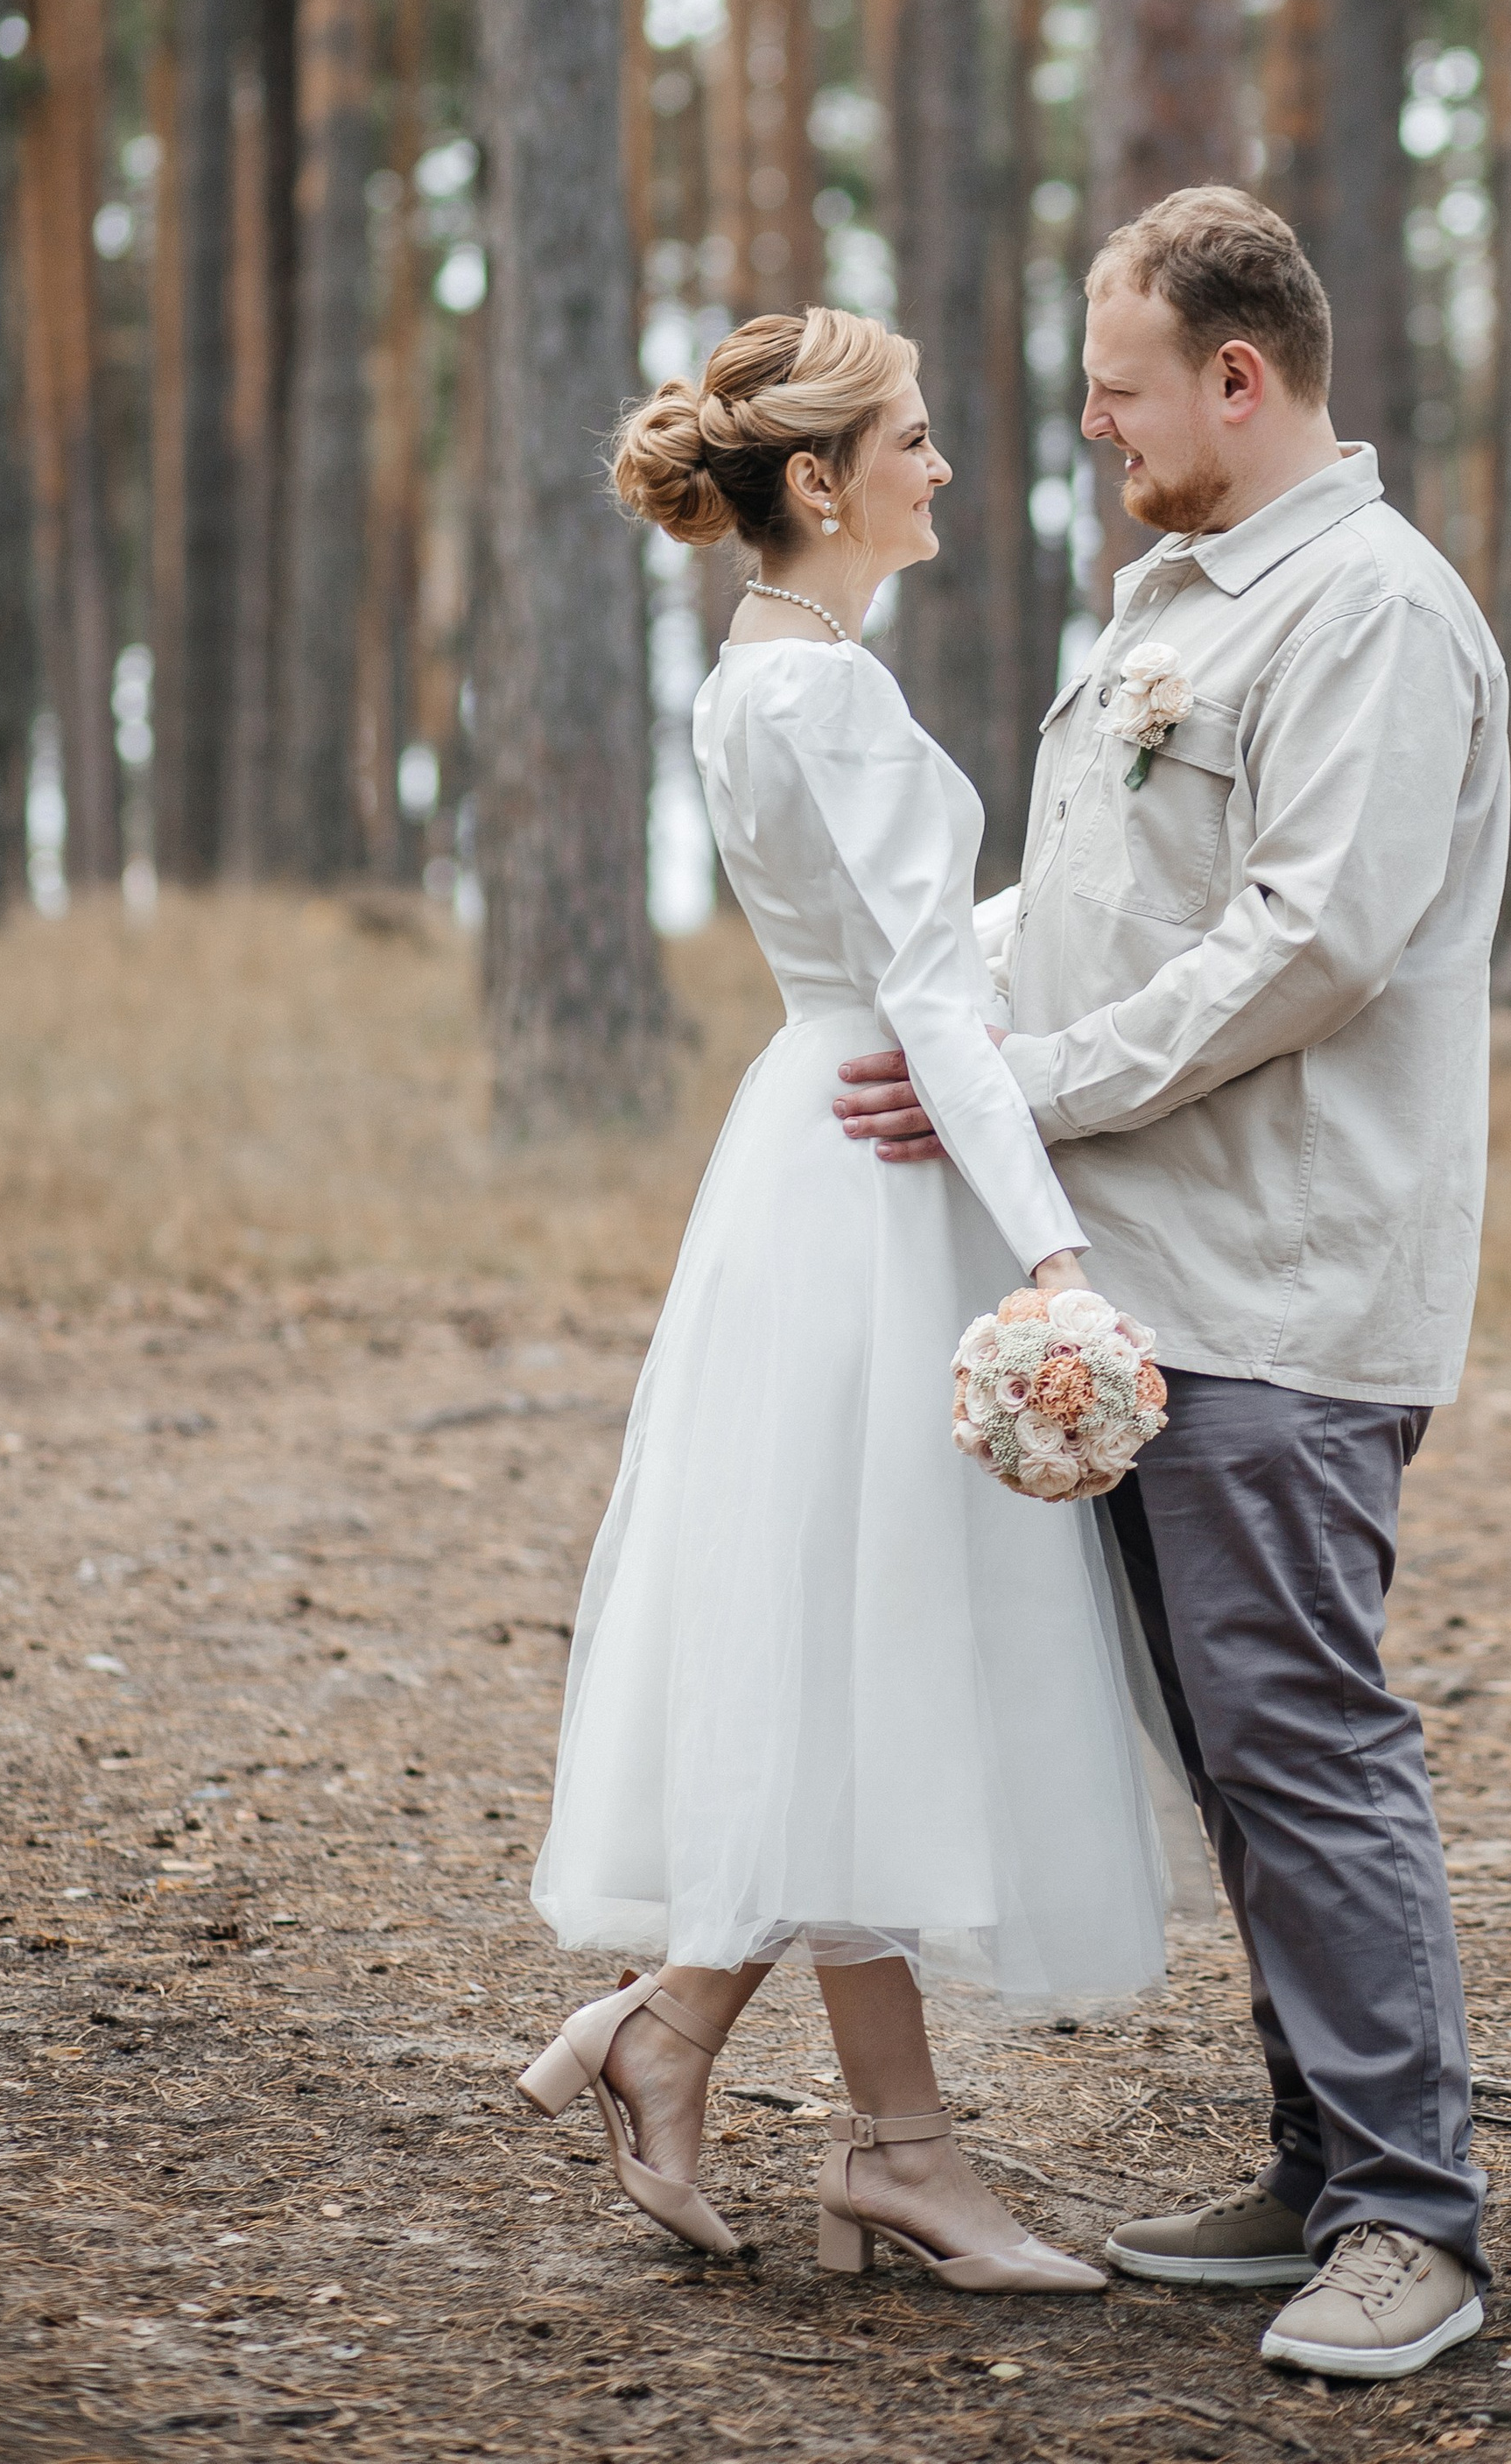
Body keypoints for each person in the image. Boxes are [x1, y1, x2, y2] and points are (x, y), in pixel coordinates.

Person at [833, 187, 1510, 2383]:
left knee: (1303, 1741)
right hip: (1149, 1292)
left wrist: (1033, 1087)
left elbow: (1310, 941)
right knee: (1232, 1754)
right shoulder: (1186, 603)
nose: (1095, 426)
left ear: (1240, 374)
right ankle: (1321, 2167)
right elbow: (1097, 910)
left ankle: (1414, 2220)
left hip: (1283, 1290)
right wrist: (927, 1022)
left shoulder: (1371, 617)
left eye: (1123, 387)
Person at [517, 303, 1201, 2298]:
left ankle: (736, 2062)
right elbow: (924, 1004)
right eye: (911, 436)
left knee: (846, 1637)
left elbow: (909, 957)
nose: (942, 465)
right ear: (817, 483)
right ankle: (842, 2119)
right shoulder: (830, 699)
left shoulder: (768, 676)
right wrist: (1055, 1253)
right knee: (874, 1631)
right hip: (881, 1179)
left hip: (810, 1153)